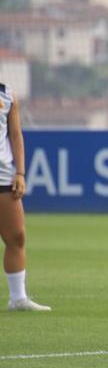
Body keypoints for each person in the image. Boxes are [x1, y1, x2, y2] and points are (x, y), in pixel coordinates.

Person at [1, 83, 50, 312]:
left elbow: (15, 135)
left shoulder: (7, 95)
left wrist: (20, 173)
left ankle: (18, 298)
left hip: (3, 176)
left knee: (16, 236)